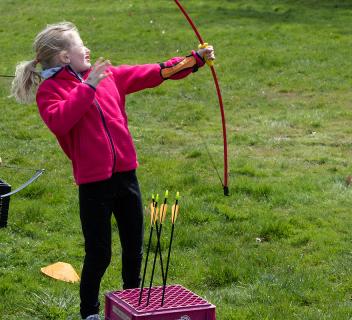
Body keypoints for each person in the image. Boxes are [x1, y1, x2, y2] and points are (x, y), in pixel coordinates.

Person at [11, 22, 214, 320]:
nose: (88, 48)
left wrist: (194, 60)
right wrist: (88, 87)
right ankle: (90, 313)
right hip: (94, 185)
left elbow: (154, 72)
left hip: (126, 177)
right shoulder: (51, 92)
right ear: (66, 57)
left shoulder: (109, 76)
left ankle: (134, 309)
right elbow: (60, 121)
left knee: (134, 250)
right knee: (99, 254)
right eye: (81, 45)